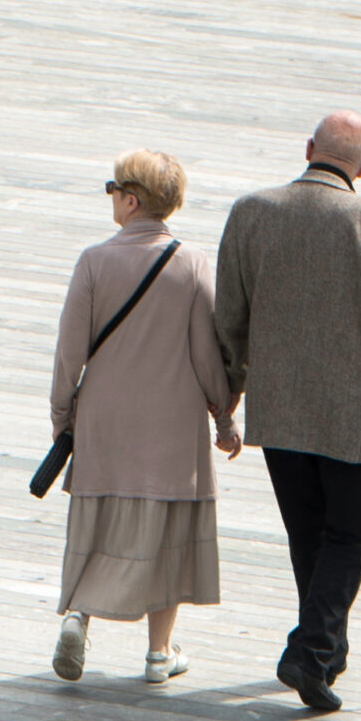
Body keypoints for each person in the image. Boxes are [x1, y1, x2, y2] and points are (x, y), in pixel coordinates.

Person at [214, 111, 361, 712]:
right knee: (350, 532)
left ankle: (324, 652)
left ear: (310, 147)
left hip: (279, 405)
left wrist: (229, 388)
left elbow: (229, 314)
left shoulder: (251, 211)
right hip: (350, 411)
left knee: (308, 532)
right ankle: (311, 650)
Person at [48, 149, 242, 685]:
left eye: (113, 188)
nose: (110, 196)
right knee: (166, 535)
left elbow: (69, 352)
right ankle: (159, 654)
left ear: (131, 201)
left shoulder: (93, 261)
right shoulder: (191, 262)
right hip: (172, 426)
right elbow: (206, 353)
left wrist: (62, 414)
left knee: (98, 522)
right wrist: (224, 417)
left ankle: (79, 615)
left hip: (105, 421)